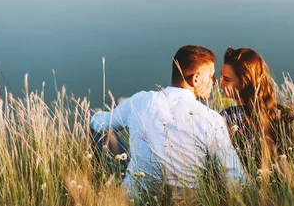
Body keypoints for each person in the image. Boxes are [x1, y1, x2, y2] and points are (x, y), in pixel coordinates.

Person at [90, 45, 246, 195]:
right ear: (196, 79)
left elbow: (98, 123)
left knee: (104, 133)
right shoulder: (211, 118)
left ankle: (103, 185)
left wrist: (95, 117)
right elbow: (234, 176)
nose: (214, 81)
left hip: (134, 202)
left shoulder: (140, 100)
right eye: (211, 76)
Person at [219, 47, 294, 174]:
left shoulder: (228, 116)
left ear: (245, 81)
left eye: (227, 79)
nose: (220, 83)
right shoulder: (282, 113)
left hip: (242, 187)